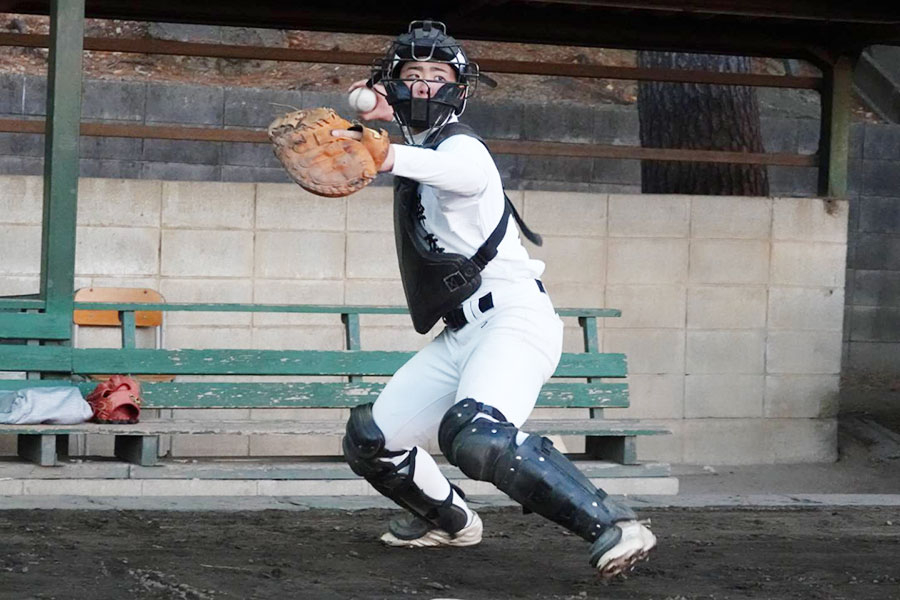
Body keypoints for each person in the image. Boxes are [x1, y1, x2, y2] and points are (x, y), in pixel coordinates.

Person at [334, 20, 656, 579]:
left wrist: (381, 152)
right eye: (414, 75)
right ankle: (450, 521)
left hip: (513, 317)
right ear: (394, 86)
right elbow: (398, 133)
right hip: (460, 332)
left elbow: (452, 169)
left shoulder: (461, 147)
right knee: (372, 440)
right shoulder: (419, 144)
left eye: (439, 76)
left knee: (477, 433)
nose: (426, 86)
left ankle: (616, 526)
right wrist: (384, 127)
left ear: (459, 88)